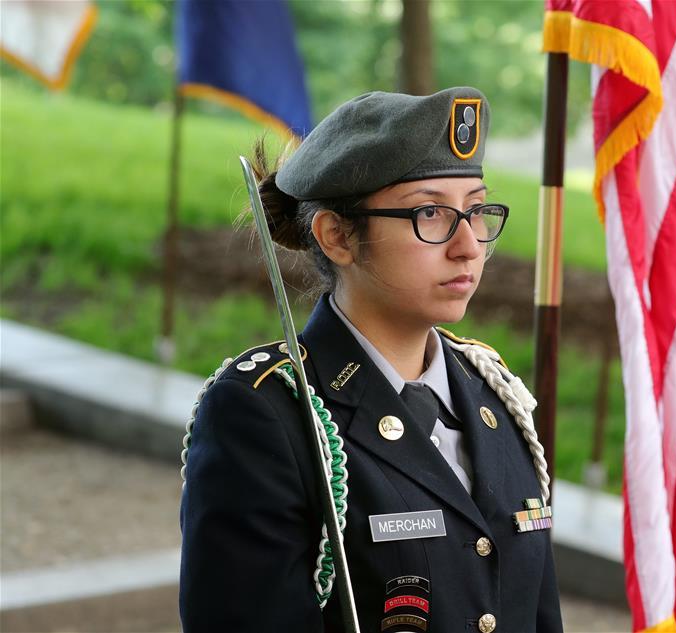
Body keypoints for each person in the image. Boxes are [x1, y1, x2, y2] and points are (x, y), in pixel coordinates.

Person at [179, 87, 563, 633]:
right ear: (337, 236)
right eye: (430, 213)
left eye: (476, 211)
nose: (469, 246)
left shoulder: (495, 396)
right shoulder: (269, 414)